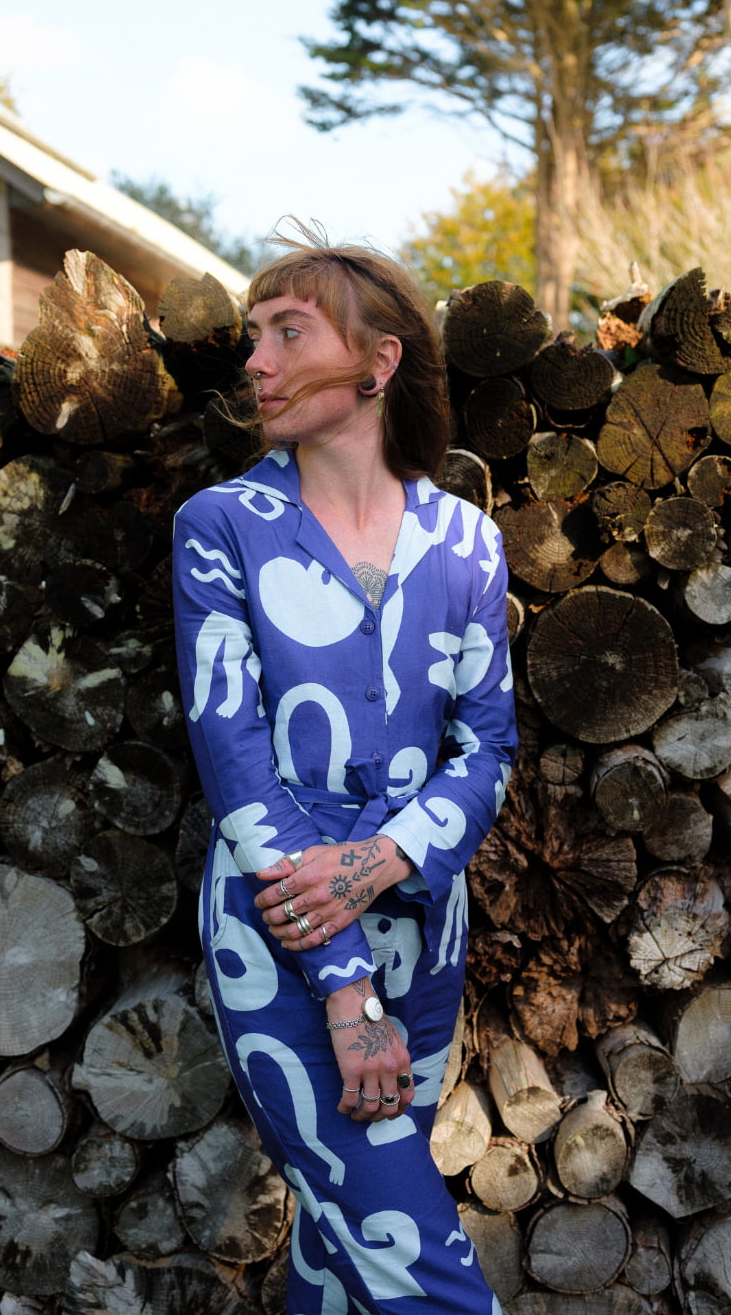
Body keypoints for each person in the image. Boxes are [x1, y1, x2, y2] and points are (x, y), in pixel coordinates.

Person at [172, 225, 516, 1314]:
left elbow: (488, 746)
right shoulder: (223, 527)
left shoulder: (468, 542)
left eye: (289, 332)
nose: (256, 362)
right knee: (419, 1269)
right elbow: (234, 758)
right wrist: (346, 984)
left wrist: (382, 861)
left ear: (378, 362)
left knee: (340, 1258)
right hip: (280, 938)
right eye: (254, 337)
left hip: (427, 929)